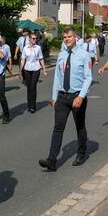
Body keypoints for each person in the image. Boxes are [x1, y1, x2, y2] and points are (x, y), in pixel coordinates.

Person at [39, 27, 92, 171]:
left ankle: (81, 153)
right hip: (62, 96)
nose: (66, 39)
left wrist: (81, 96)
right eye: (64, 37)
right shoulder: (62, 55)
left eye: (69, 36)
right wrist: (54, 97)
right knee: (58, 127)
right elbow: (57, 76)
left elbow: (88, 78)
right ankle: (52, 159)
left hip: (76, 96)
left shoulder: (84, 55)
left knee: (79, 125)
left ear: (75, 38)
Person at [20, 33, 47, 113]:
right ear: (30, 39)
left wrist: (44, 70)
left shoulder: (38, 48)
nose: (35, 40)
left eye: (36, 38)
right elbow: (23, 59)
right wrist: (20, 71)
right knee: (29, 88)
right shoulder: (25, 48)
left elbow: (41, 59)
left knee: (33, 87)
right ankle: (29, 105)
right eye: (33, 38)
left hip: (36, 69)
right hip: (27, 69)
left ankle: (33, 106)